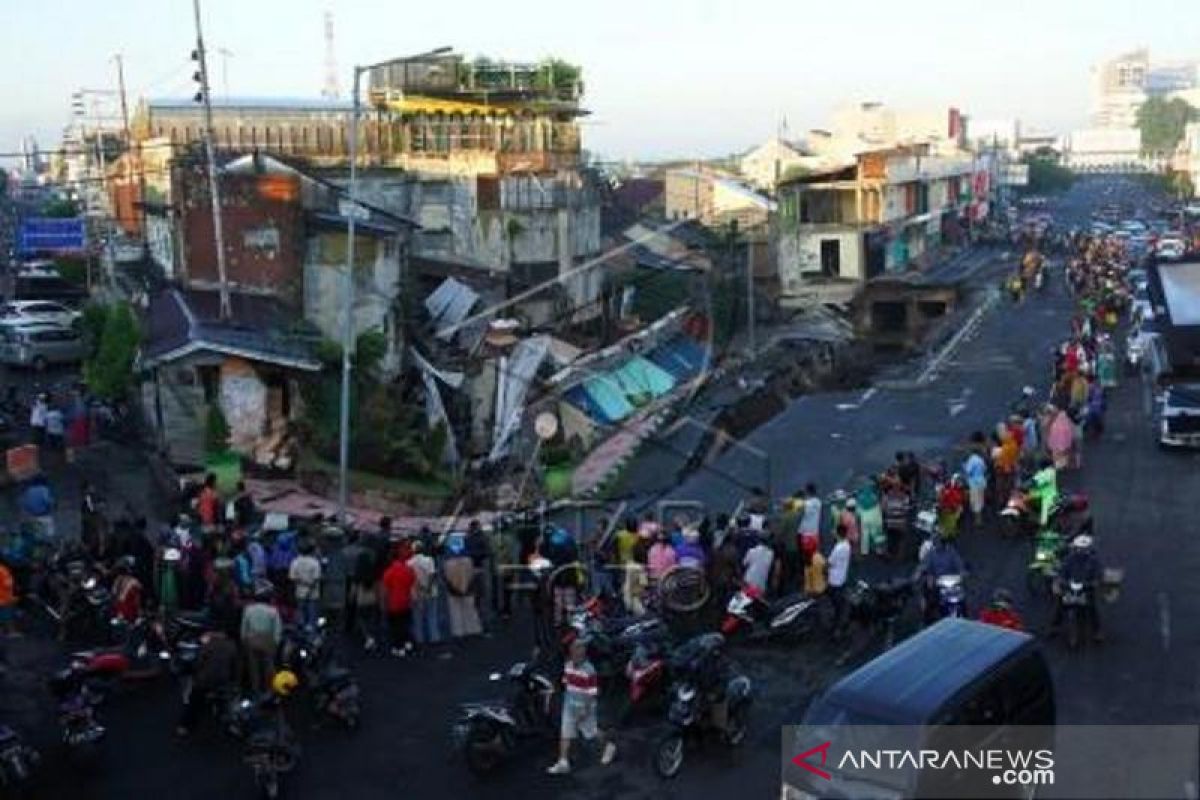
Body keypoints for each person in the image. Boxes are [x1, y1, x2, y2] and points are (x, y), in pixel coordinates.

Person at [547, 638, 616, 775]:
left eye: (580, 651)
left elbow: (592, 694)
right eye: (574, 651)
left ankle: (608, 746)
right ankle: (563, 762)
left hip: (584, 708)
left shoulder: (589, 671)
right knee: (565, 733)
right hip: (570, 705)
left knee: (591, 734)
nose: (577, 654)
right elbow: (567, 685)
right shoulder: (568, 666)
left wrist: (585, 711)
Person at [176, 630, 239, 736]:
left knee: (194, 701)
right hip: (223, 681)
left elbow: (198, 663)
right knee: (228, 703)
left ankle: (185, 726)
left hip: (205, 681)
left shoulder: (207, 646)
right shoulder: (232, 646)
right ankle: (232, 725)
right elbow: (235, 667)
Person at [1052, 535, 1104, 642]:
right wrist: (1062, 580)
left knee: (1092, 608)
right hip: (1070, 589)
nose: (1081, 550)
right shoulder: (1069, 559)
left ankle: (1097, 631)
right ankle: (1054, 627)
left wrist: (1093, 583)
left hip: (1086, 589)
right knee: (1060, 605)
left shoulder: (1093, 561)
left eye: (1084, 548)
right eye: (1079, 548)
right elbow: (1062, 572)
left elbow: (1098, 575)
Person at [241, 585, 283, 696]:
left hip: (252, 640)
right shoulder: (273, 611)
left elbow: (244, 628)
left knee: (254, 669)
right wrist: (276, 643)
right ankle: (269, 691)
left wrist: (244, 641)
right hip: (267, 640)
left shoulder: (248, 609)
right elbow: (277, 630)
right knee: (268, 668)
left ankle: (256, 691)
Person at [442, 533, 483, 638]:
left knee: (455, 611)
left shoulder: (447, 561)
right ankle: (473, 629)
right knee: (470, 609)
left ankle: (458, 631)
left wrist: (452, 587)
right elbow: (472, 575)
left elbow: (446, 577)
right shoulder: (468, 560)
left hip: (454, 590)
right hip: (468, 588)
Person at [381, 548, 416, 657]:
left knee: (395, 627)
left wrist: (383, 604)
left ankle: (398, 647)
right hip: (406, 601)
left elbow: (385, 591)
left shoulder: (388, 572)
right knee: (406, 624)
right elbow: (412, 584)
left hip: (393, 603)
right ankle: (408, 643)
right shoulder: (408, 569)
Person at [408, 540, 441, 646]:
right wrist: (428, 588)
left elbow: (411, 579)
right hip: (430, 592)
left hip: (416, 593)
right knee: (432, 616)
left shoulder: (409, 563)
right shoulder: (429, 560)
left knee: (417, 618)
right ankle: (434, 637)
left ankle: (419, 639)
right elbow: (432, 575)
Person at [288, 540, 322, 630]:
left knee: (300, 612)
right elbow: (316, 578)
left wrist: (302, 583)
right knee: (312, 614)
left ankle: (300, 631)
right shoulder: (315, 562)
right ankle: (311, 632)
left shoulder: (295, 562)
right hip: (313, 593)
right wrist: (309, 587)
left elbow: (292, 578)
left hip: (299, 592)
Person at [826, 525, 852, 639]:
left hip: (834, 579)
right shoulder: (847, 545)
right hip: (842, 578)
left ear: (838, 534)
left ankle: (837, 628)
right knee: (839, 602)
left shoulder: (838, 548)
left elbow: (829, 563)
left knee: (836, 604)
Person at [963, 436, 989, 529]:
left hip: (974, 483)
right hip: (982, 481)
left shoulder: (972, 460)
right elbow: (985, 469)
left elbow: (968, 471)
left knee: (975, 501)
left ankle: (978, 521)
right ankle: (979, 517)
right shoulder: (981, 460)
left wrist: (965, 466)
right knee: (980, 500)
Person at [798, 484, 822, 548]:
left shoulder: (806, 504)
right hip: (815, 534)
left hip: (806, 535)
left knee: (806, 556)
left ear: (808, 492)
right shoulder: (818, 502)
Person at [0, 558, 17, 636]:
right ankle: (11, 632)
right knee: (8, 616)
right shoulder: (3, 570)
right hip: (4, 599)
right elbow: (8, 584)